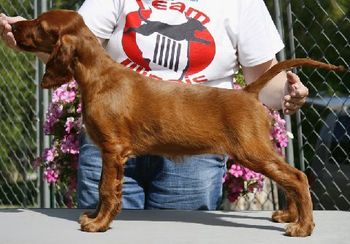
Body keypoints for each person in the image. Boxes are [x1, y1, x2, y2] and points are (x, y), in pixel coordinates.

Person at [0, 0, 309, 210]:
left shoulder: (242, 2)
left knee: (179, 236)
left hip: (192, 138)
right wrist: (29, 41)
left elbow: (264, 80)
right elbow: (75, 50)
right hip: (114, 129)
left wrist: (287, 92)